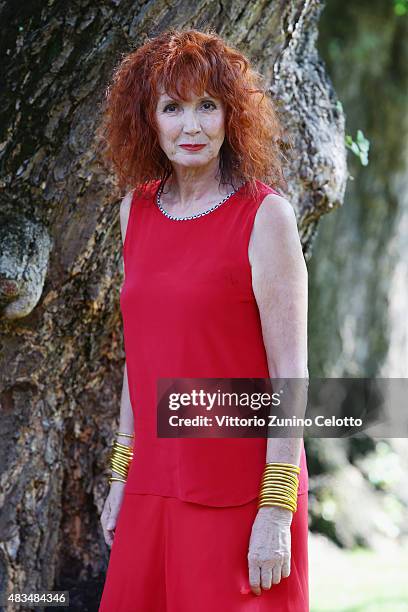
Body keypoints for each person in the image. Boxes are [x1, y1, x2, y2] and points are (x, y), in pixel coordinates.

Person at [97, 27, 309, 611]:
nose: (191, 126)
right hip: (152, 484)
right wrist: (121, 476)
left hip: (240, 492)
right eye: (173, 107)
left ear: (231, 114)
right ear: (148, 119)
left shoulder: (266, 216)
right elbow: (137, 359)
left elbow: (292, 373)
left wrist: (276, 507)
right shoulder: (133, 211)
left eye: (207, 106)